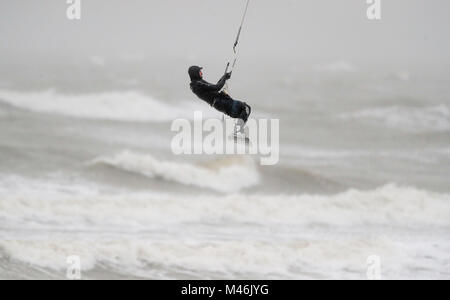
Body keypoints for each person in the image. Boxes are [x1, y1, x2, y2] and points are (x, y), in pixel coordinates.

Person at [188, 66, 251, 133]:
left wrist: (224, 77)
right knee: (245, 108)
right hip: (221, 102)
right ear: (195, 73)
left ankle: (238, 132)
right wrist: (224, 77)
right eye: (199, 71)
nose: (201, 73)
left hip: (220, 102)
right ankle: (237, 133)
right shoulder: (197, 85)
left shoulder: (197, 82)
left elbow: (215, 86)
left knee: (243, 111)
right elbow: (217, 87)